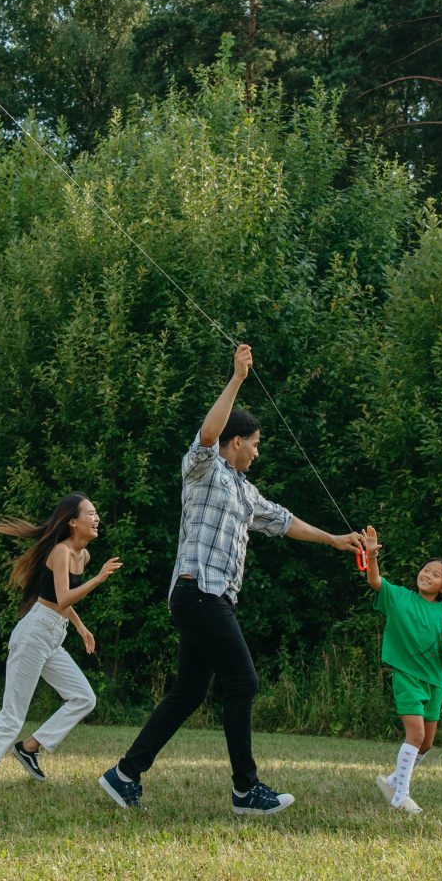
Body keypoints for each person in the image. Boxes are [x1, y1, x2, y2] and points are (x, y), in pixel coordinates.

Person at [98, 343, 365, 816]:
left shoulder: (246, 490)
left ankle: (124, 775)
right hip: (198, 592)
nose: (258, 452)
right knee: (242, 680)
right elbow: (206, 433)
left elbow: (283, 521)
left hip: (210, 598)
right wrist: (238, 378)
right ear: (236, 441)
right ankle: (246, 791)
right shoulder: (202, 470)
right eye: (256, 443)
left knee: (189, 692)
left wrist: (336, 540)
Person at [0, 493, 116, 794]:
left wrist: (81, 628)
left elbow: (61, 601)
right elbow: (63, 597)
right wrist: (97, 580)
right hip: (34, 634)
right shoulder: (60, 552)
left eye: (96, 514)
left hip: (53, 635)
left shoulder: (83, 556)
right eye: (91, 514)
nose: (97, 519)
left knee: (84, 697)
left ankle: (30, 747)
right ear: (72, 522)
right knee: (13, 714)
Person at [355, 526, 442, 814]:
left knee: (426, 743)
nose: (426, 574)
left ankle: (392, 780)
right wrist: (372, 556)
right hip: (408, 677)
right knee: (414, 735)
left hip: (434, 681)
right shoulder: (400, 597)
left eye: (435, 574)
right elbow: (374, 580)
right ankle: (400, 795)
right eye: (425, 570)